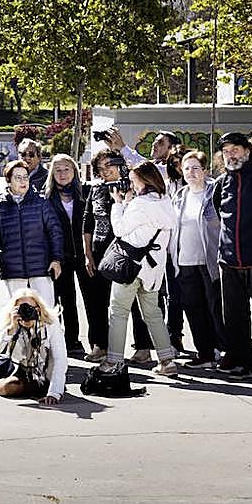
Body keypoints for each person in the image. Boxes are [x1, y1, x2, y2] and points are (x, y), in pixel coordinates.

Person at [98, 160, 179, 376]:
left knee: (118, 312)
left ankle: (113, 361)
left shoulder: (140, 204)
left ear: (144, 180)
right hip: (153, 269)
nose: (131, 185)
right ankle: (167, 361)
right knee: (153, 313)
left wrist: (118, 204)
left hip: (130, 266)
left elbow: (120, 229)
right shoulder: (166, 202)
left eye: (134, 180)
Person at [83, 150, 158, 365]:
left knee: (133, 301)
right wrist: (88, 254)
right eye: (101, 168)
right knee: (97, 301)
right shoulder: (96, 188)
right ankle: (100, 346)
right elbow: (87, 222)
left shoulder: (132, 187)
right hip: (99, 252)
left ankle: (143, 347)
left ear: (121, 165)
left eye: (110, 165)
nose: (106, 171)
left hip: (126, 253)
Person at [0, 288, 67, 404]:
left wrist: (54, 393)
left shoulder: (51, 324)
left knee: (9, 387)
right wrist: (10, 329)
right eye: (22, 308)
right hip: (16, 367)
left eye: (31, 308)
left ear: (39, 309)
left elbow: (60, 360)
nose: (26, 312)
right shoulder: (11, 323)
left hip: (41, 375)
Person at [170, 150, 225, 367]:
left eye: (195, 168)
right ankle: (205, 354)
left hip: (210, 263)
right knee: (194, 309)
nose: (191, 172)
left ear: (205, 170)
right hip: (185, 262)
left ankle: (225, 351)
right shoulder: (180, 196)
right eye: (186, 168)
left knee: (216, 309)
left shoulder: (214, 193)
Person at [44, 154, 98, 358]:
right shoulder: (47, 197)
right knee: (66, 300)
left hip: (86, 255)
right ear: (52, 173)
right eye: (57, 170)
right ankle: (72, 340)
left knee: (92, 299)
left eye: (67, 168)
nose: (62, 173)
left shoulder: (87, 191)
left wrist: (91, 252)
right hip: (61, 256)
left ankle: (97, 343)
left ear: (75, 171)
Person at [215, 132, 252, 380]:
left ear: (247, 151)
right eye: (226, 151)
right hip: (230, 261)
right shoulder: (222, 182)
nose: (231, 155)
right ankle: (246, 362)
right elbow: (221, 216)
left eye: (236, 149)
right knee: (235, 318)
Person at [0, 159, 63, 307]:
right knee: (19, 316)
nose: (23, 181)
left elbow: (55, 232)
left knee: (47, 314)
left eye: (25, 177)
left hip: (42, 269)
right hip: (13, 271)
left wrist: (56, 259)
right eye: (18, 177)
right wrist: (1, 257)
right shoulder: (0, 206)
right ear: (8, 180)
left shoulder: (41, 202)